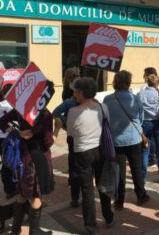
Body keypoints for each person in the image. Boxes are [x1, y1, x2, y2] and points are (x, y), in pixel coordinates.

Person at [0, 82, 55, 235]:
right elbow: (48, 142)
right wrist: (57, 129)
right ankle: (34, 231)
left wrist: (16, 132)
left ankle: (15, 230)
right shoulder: (45, 114)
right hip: (37, 159)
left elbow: (0, 122)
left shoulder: (21, 109)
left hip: (21, 157)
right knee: (36, 195)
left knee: (22, 193)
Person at [67, 77, 114, 234]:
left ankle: (91, 226)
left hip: (82, 152)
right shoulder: (103, 107)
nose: (74, 95)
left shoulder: (73, 111)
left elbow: (71, 133)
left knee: (87, 189)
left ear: (81, 92)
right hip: (100, 150)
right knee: (103, 184)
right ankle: (108, 216)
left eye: (76, 92)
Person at [103, 70, 150, 210]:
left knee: (119, 170)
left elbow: (105, 119)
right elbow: (141, 118)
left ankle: (119, 200)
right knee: (137, 168)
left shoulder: (108, 99)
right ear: (128, 82)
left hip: (116, 140)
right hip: (134, 139)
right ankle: (141, 195)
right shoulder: (134, 98)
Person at [53, 73, 81, 208]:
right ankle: (80, 193)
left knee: (74, 164)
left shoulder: (69, 102)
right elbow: (55, 113)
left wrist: (65, 123)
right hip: (86, 140)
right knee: (82, 167)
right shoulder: (95, 103)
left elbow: (55, 113)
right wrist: (65, 123)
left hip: (74, 137)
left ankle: (75, 197)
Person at [137, 74, 159, 183]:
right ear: (156, 83)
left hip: (145, 122)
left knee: (145, 150)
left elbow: (136, 107)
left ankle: (143, 177)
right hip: (157, 123)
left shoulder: (141, 93)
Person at [0, 84, 16, 199]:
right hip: (9, 137)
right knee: (11, 163)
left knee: (5, 164)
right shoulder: (12, 106)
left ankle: (8, 190)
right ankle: (13, 187)